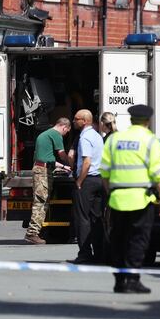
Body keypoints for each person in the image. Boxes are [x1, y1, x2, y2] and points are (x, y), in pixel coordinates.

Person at [101, 104, 160, 294]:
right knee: (138, 241)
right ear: (147, 121)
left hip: (117, 200)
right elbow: (158, 174)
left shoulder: (114, 140)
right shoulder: (150, 141)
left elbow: (104, 172)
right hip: (141, 200)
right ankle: (132, 280)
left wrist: (110, 193)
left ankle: (120, 280)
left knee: (118, 240)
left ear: (131, 120)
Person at [24, 118, 72, 244]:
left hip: (40, 168)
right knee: (41, 201)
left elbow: (46, 158)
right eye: (66, 132)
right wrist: (70, 164)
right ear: (64, 127)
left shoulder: (44, 135)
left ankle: (35, 232)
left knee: (41, 200)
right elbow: (61, 154)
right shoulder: (56, 135)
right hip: (43, 172)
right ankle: (32, 233)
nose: (65, 134)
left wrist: (62, 167)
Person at [70, 109, 105, 264]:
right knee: (96, 218)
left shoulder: (84, 138)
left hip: (88, 180)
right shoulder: (98, 136)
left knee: (82, 218)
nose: (73, 121)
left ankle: (84, 253)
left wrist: (79, 181)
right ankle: (99, 253)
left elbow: (87, 162)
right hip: (99, 180)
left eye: (76, 119)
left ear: (84, 121)